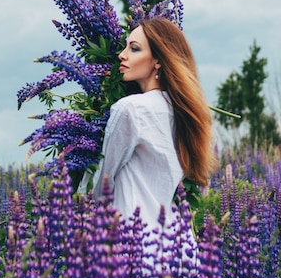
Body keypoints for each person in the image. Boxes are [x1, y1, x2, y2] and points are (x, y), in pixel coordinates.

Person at [90, 17, 217, 230]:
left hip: (130, 238)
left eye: (135, 48)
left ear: (158, 60)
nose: (122, 54)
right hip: (171, 240)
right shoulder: (181, 112)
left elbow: (102, 186)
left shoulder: (130, 109)